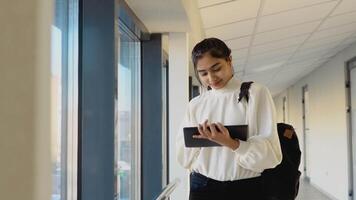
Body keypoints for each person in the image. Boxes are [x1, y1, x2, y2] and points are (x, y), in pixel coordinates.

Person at [176, 38, 283, 200]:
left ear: (229, 60)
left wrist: (230, 143)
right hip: (202, 186)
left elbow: (271, 157)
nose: (211, 78)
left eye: (216, 68)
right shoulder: (196, 104)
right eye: (203, 73)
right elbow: (184, 158)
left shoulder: (255, 93)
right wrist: (200, 140)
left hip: (246, 188)